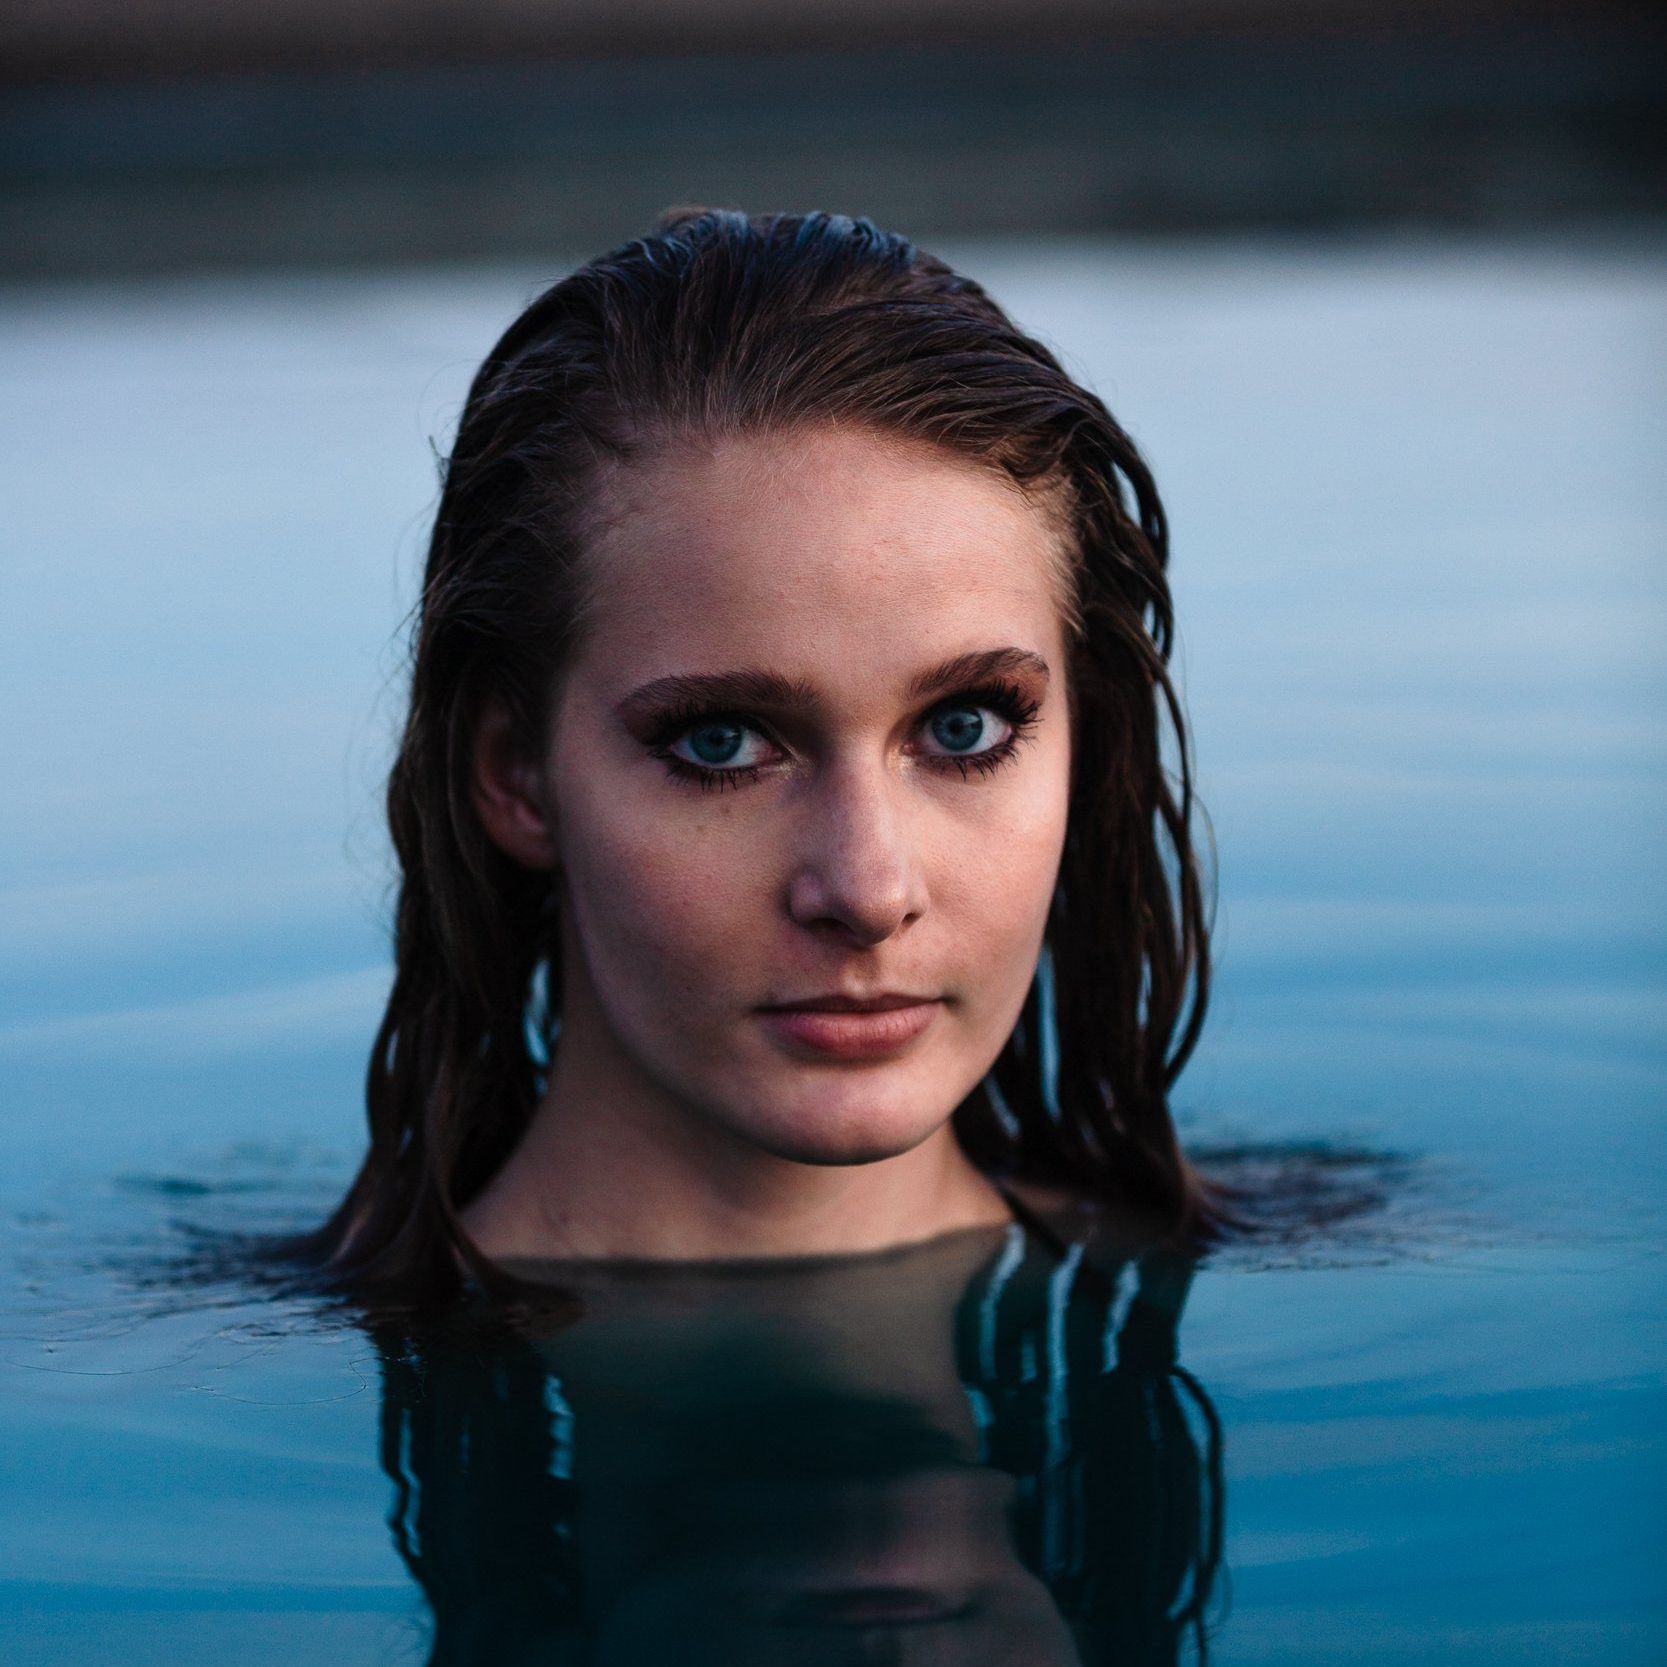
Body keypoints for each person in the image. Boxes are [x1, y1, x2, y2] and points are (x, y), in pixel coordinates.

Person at [290, 206, 1215, 1306]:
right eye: (719, 743)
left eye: (964, 726)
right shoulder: (174, 1387)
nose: (868, 890)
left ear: (1081, 745)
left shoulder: (1278, 1262)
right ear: (512, 773)